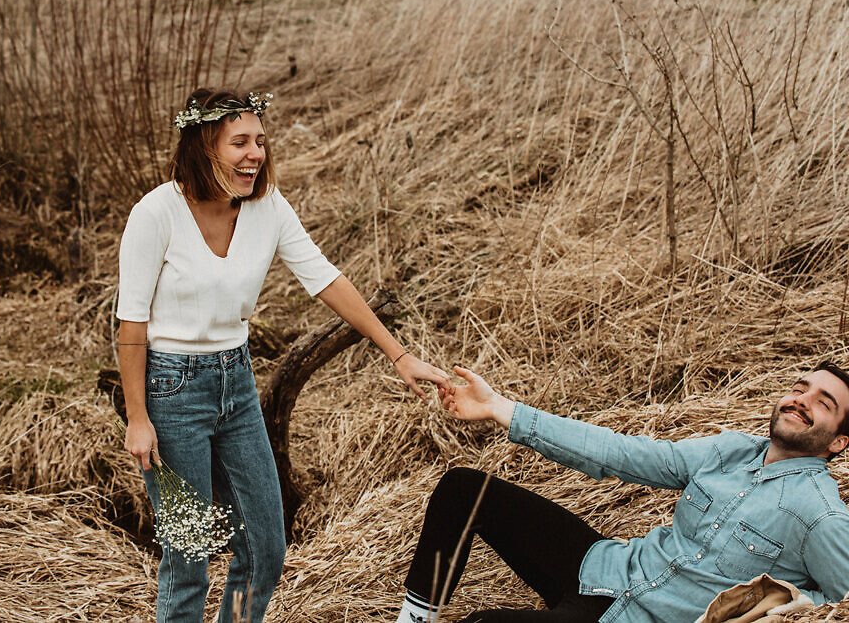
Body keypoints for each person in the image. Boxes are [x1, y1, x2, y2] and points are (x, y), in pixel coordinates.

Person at [117, 88, 451, 623]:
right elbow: (130, 322)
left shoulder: (267, 208)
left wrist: (398, 355)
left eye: (261, 142)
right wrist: (138, 417)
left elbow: (326, 279)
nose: (256, 154)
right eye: (240, 143)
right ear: (205, 146)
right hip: (171, 393)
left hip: (237, 386)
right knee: (188, 558)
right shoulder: (156, 213)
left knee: (266, 551)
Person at [394, 362, 849, 622]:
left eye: (823, 403)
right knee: (464, 490)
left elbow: (839, 606)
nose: (802, 400)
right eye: (800, 388)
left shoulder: (821, 516)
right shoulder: (731, 450)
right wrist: (501, 408)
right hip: (609, 567)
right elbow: (621, 454)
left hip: (638, 620)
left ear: (837, 443)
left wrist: (779, 610)